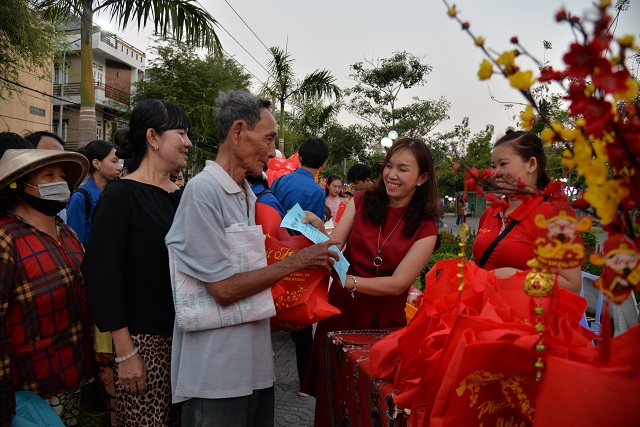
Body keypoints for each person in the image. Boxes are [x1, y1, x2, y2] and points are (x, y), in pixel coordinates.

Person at [165, 90, 339, 427]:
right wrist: (300, 260)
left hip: (255, 367)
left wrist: (278, 312)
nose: (274, 152)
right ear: (239, 132)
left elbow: (252, 274)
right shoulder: (203, 192)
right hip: (217, 375)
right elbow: (224, 289)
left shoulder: (245, 193)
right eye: (270, 138)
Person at [301, 138, 441, 415]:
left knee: (367, 404)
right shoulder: (361, 201)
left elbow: (398, 283)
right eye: (389, 166)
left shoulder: (426, 229)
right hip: (341, 310)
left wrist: (351, 282)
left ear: (422, 177)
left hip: (382, 323)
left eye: (403, 169)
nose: (392, 175)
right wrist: (318, 230)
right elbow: (336, 242)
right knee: (332, 399)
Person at [82, 99, 192, 426]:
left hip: (186, 339)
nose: (188, 142)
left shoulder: (181, 197)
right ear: (153, 138)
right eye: (181, 133)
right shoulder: (121, 196)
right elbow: (103, 275)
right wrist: (126, 352)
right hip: (143, 345)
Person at [0, 133, 93, 426]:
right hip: (29, 392)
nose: (60, 182)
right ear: (19, 185)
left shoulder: (67, 233)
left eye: (62, 176)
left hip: (74, 376)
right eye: (48, 175)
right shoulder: (5, 239)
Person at [471, 130, 582, 293]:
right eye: (493, 166)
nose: (495, 173)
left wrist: (518, 277)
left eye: (503, 164)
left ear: (531, 164)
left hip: (526, 315)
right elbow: (476, 260)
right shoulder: (491, 212)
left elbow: (572, 286)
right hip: (483, 310)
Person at [270, 137, 329, 394]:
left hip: (273, 250)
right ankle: (306, 382)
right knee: (301, 322)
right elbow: (310, 232)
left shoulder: (281, 180)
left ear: (298, 156)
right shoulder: (316, 191)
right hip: (297, 255)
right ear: (323, 164)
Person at [67, 140, 120, 246]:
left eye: (119, 162)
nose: (119, 167)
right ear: (96, 163)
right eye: (114, 161)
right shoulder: (80, 199)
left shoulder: (115, 194)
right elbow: (76, 245)